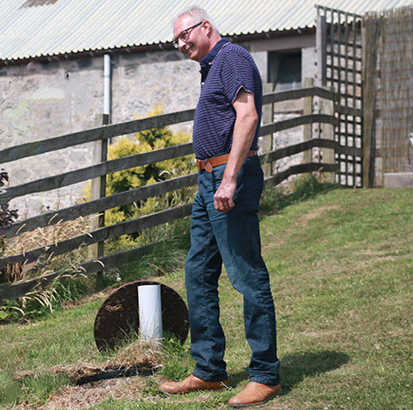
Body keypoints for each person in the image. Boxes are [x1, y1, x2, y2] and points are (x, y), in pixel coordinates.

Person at [159, 6, 281, 407]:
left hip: (230, 178)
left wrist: (229, 178)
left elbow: (247, 115)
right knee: (197, 270)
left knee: (245, 273)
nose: (181, 45)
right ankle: (209, 370)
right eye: (176, 40)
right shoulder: (211, 67)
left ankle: (265, 375)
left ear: (206, 27)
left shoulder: (232, 58)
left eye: (185, 36)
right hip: (206, 180)